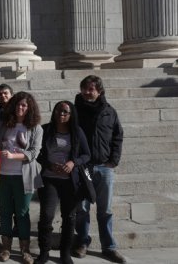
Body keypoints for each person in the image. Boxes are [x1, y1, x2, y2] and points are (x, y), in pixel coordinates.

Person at [72, 75, 125, 264]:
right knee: (82, 208)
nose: (87, 92)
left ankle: (109, 247)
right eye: (84, 89)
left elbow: (118, 136)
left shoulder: (109, 112)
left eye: (91, 89)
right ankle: (82, 242)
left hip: (104, 167)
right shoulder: (74, 111)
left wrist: (114, 160)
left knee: (106, 209)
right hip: (83, 167)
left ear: (99, 91)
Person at [36, 101, 91, 264]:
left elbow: (86, 155)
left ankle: (65, 253)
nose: (61, 114)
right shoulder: (46, 130)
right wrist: (48, 164)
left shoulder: (77, 132)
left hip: (70, 181)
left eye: (65, 112)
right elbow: (37, 152)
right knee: (46, 215)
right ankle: (44, 252)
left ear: (71, 114)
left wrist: (73, 163)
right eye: (59, 111)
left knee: (69, 216)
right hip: (49, 178)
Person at [0, 92, 43, 264]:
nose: (20, 108)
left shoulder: (36, 128)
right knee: (5, 211)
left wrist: (13, 156)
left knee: (22, 213)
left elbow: (34, 153)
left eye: (24, 105)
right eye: (17, 105)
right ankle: (6, 247)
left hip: (24, 176)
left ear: (29, 108)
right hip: (4, 175)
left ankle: (25, 250)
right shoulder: (5, 124)